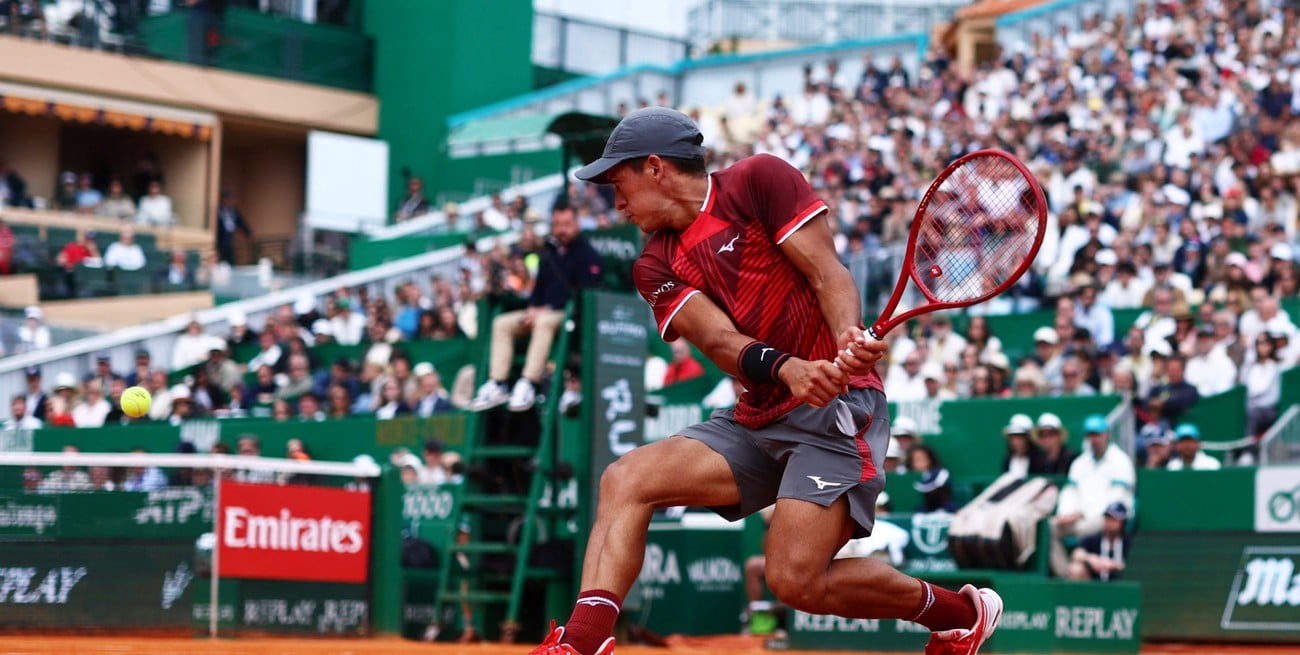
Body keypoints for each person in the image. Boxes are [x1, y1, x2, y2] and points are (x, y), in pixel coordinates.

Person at [526, 107, 1001, 655]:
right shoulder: (653, 264)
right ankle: (581, 644)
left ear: (655, 168)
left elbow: (827, 273)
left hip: (837, 415)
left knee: (794, 581)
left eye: (618, 182)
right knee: (625, 480)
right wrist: (788, 370)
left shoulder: (759, 180)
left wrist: (847, 333)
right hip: (758, 416)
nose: (617, 202)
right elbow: (722, 343)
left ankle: (964, 614)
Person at [470, 205, 603, 412]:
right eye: (557, 224)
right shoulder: (549, 254)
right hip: (541, 312)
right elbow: (538, 288)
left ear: (577, 224)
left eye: (566, 224)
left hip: (568, 316)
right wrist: (532, 308)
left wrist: (546, 309)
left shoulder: (588, 254)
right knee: (502, 323)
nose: (561, 230)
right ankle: (498, 383)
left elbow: (582, 295)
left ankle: (529, 383)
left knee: (544, 322)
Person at [1049, 414, 1135, 578]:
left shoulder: (1121, 461)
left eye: (1098, 434)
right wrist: (1065, 514)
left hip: (1105, 519)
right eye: (1091, 435)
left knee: (1088, 527)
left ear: (1107, 434)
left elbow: (1116, 500)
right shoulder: (1080, 463)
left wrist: (1082, 514)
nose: (1094, 439)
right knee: (1049, 527)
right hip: (1079, 519)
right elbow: (1070, 492)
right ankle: (1065, 574)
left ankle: (1077, 570)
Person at [1066, 501, 1131, 582]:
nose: (1110, 522)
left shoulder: (1129, 541)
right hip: (1095, 582)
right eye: (1108, 518)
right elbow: (1077, 553)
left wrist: (1114, 565)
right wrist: (1091, 559)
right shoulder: (1095, 539)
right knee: (1076, 568)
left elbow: (1139, 566)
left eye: (1114, 519)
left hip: (1125, 586)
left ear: (1122, 522)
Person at [215, 191, 252, 265]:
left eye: (230, 199)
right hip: (220, 240)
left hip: (229, 241)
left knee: (231, 260)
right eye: (227, 199)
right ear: (223, 200)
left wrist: (249, 233)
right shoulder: (218, 210)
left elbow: (241, 222)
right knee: (221, 261)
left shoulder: (233, 211)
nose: (229, 201)